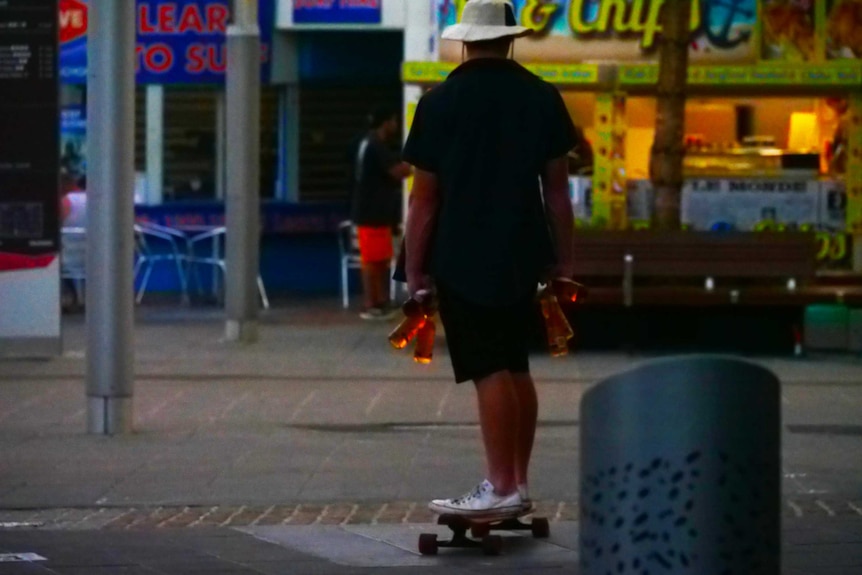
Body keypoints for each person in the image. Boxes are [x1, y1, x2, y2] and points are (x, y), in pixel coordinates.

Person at [401, 0, 577, 517]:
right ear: (509, 39)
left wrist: (414, 269)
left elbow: (424, 199)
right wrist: (563, 262)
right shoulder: (543, 97)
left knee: (488, 365)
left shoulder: (439, 103)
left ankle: (499, 486)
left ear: (464, 41)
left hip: (462, 248)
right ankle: (517, 482)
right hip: (524, 247)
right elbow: (559, 194)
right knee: (515, 363)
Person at [351, 106, 413, 320]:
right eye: (394, 121)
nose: (396, 125)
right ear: (385, 123)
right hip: (370, 212)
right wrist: (418, 163)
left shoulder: (368, 143)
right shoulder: (375, 146)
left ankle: (381, 301)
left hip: (374, 212)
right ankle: (372, 304)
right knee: (371, 261)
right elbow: (397, 172)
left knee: (381, 259)